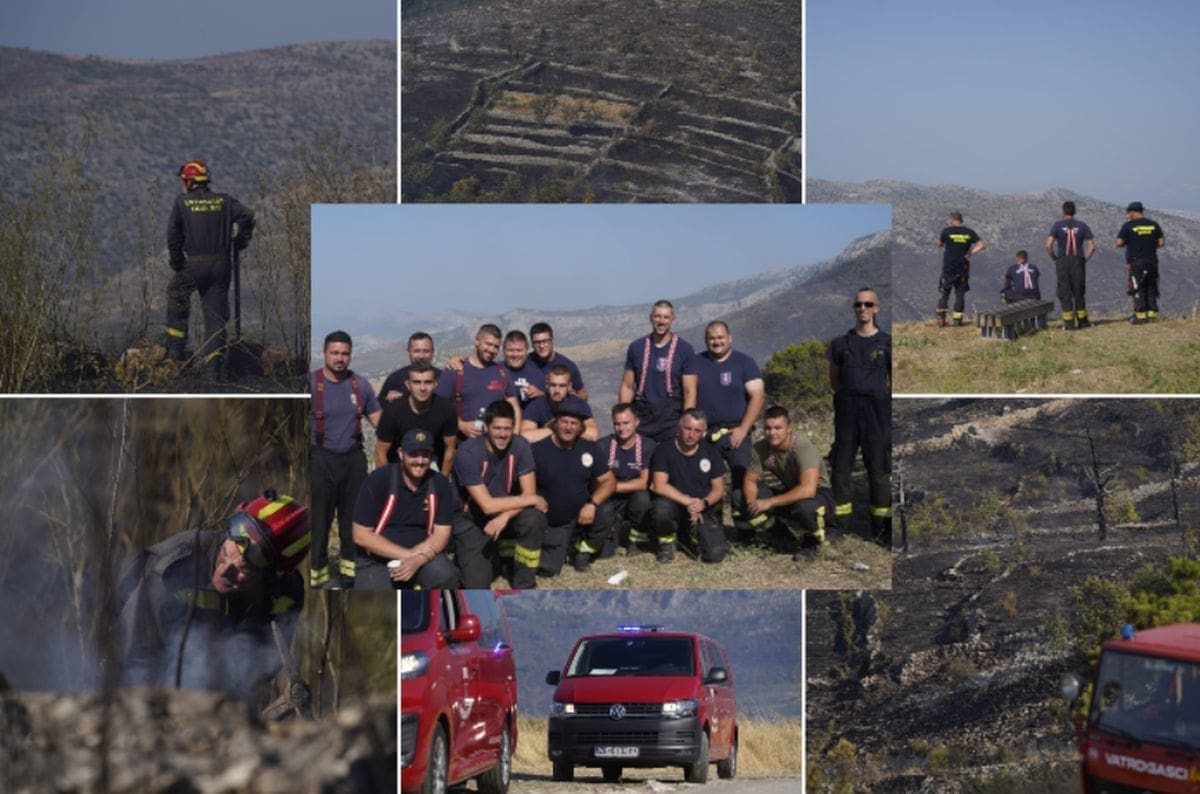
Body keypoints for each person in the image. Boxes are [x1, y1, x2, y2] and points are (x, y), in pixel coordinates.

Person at [114, 491, 309, 698]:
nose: (224, 572)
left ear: (272, 576)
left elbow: (264, 660)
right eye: (224, 555)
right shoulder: (170, 571)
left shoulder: (284, 594)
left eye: (244, 571)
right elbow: (134, 658)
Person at [165, 160, 254, 375]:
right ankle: (213, 366)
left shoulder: (182, 203)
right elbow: (248, 216)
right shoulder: (224, 201)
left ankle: (175, 353)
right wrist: (241, 240)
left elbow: (173, 235)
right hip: (221, 266)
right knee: (216, 314)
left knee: (176, 292)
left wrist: (177, 262)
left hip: (195, 264)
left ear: (189, 182)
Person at [310, 330, 381, 589]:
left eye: (345, 354)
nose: (340, 358)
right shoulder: (311, 383)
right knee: (319, 523)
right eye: (335, 353)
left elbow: (380, 422)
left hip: (353, 460)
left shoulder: (360, 385)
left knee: (354, 523)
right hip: (319, 460)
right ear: (324, 353)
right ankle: (317, 579)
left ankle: (351, 578)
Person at [451, 400, 548, 588]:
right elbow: (487, 505)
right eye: (497, 428)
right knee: (477, 584)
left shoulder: (520, 445)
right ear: (486, 427)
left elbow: (528, 492)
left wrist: (505, 516)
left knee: (533, 518)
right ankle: (475, 558)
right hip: (471, 518)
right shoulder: (467, 453)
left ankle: (524, 583)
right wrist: (533, 498)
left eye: (507, 429)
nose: (502, 434)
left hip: (504, 511)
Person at [351, 429, 459, 589]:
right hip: (376, 559)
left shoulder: (440, 484)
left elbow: (442, 533)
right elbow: (360, 536)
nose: (420, 461)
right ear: (401, 454)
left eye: (425, 455)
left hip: (424, 555)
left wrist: (418, 560)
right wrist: (408, 556)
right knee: (374, 597)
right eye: (413, 454)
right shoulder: (378, 479)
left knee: (447, 577)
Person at [828, 288, 891, 544]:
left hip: (877, 413)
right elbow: (834, 380)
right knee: (841, 469)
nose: (862, 308)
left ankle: (881, 527)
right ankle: (841, 525)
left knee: (878, 470)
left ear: (876, 308)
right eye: (858, 304)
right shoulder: (840, 344)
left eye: (868, 304)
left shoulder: (888, 343)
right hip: (847, 412)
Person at [530, 402, 617, 575]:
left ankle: (582, 551)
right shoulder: (537, 450)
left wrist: (592, 503)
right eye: (564, 422)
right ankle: (564, 546)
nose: (568, 427)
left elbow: (609, 481)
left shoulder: (590, 449)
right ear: (555, 423)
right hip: (551, 522)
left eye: (573, 423)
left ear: (580, 427)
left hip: (581, 518)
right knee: (549, 570)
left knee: (606, 511)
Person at [692, 321, 765, 526]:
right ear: (706, 340)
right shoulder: (695, 363)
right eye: (711, 338)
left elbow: (757, 396)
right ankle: (712, 525)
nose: (716, 342)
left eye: (720, 337)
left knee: (741, 479)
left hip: (737, 432)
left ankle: (744, 528)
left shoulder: (745, 362)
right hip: (706, 435)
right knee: (707, 480)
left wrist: (743, 428)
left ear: (729, 338)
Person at [740, 406, 836, 560]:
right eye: (768, 428)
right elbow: (750, 480)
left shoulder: (803, 447)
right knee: (740, 496)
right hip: (792, 492)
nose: (772, 433)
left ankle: (813, 542)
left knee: (804, 506)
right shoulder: (760, 448)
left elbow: (808, 490)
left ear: (789, 428)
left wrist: (769, 502)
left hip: (819, 495)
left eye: (778, 428)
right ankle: (782, 535)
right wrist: (752, 501)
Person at [648, 409, 728, 564]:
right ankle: (667, 541)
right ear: (679, 427)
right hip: (674, 505)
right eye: (687, 428)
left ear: (703, 432)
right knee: (661, 510)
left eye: (697, 431)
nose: (691, 435)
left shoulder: (711, 451)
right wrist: (690, 502)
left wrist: (703, 503)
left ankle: (688, 534)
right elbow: (659, 485)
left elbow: (718, 489)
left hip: (702, 507)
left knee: (714, 555)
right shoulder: (664, 449)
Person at [619, 300, 698, 442]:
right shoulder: (636, 347)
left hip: (671, 420)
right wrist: (622, 418)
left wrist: (686, 424)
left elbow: (689, 391)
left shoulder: (684, 349)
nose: (661, 321)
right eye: (657, 316)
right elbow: (627, 386)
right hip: (642, 418)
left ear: (673, 320)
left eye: (666, 317)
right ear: (651, 318)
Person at [435, 324, 521, 438]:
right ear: (477, 341)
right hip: (463, 444)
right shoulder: (455, 370)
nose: (491, 350)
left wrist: (514, 438)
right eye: (488, 344)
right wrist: (460, 425)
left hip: (496, 445)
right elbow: (437, 406)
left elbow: (515, 408)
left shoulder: (502, 372)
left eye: (496, 346)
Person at [374, 361, 458, 473]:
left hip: (430, 463)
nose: (422, 388)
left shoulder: (446, 410)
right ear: (408, 385)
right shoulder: (392, 412)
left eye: (427, 382)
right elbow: (380, 452)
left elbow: (450, 449)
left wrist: (443, 480)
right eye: (417, 382)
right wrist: (387, 484)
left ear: (435, 384)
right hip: (397, 465)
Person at [595, 403, 657, 555]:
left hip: (633, 496)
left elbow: (643, 482)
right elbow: (596, 480)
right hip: (609, 499)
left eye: (626, 423)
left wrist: (611, 486)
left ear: (636, 422)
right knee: (605, 553)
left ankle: (637, 538)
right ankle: (612, 528)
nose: (621, 428)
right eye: (617, 424)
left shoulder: (648, 446)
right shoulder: (603, 445)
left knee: (643, 499)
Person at [1044, 200, 1096, 329]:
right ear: (1074, 211)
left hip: (1062, 260)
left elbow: (1048, 245)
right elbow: (1092, 246)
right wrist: (1085, 259)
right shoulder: (1082, 225)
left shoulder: (1057, 225)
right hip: (1078, 260)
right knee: (1078, 290)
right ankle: (1083, 322)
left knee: (1065, 291)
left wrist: (1054, 258)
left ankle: (1068, 324)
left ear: (1063, 212)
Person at [1116, 201, 1166, 324]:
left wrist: (1130, 241)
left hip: (1137, 262)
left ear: (1132, 212)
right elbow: (1161, 243)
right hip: (1152, 261)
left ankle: (1140, 316)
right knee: (1151, 287)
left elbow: (1118, 243)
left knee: (1138, 287)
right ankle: (1152, 315)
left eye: (1128, 213)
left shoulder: (1128, 226)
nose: (1127, 215)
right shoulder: (1154, 225)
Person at [520, 365, 599, 442]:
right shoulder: (537, 405)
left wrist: (559, 427)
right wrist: (555, 428)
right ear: (547, 385)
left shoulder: (579, 404)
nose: (557, 391)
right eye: (553, 385)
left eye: (562, 386)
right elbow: (525, 436)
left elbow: (593, 435)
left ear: (569, 386)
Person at [935, 212, 985, 326]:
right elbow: (982, 245)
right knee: (959, 293)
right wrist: (970, 254)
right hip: (962, 267)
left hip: (949, 267)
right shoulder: (969, 232)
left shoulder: (946, 231)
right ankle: (957, 320)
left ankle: (941, 320)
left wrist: (939, 243)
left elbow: (940, 245)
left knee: (945, 292)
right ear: (961, 220)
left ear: (952, 220)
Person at [528, 322, 588, 401]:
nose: (541, 346)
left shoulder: (568, 366)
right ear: (532, 344)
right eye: (537, 342)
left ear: (552, 340)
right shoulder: (526, 363)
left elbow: (583, 395)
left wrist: (571, 396)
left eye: (545, 341)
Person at [379, 332, 441, 402]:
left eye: (426, 351)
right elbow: (377, 409)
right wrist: (388, 401)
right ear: (408, 352)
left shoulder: (443, 378)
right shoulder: (394, 379)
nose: (421, 356)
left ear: (432, 352)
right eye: (416, 351)